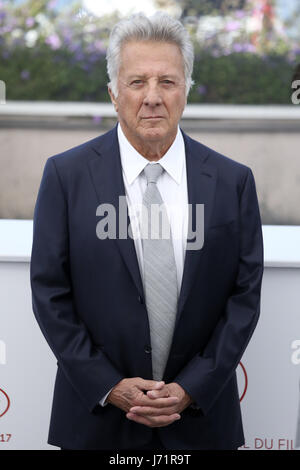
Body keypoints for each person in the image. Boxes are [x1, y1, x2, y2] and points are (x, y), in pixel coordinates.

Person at [30, 12, 264, 450]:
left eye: (168, 82)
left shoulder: (234, 182)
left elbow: (244, 296)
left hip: (200, 423)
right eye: (137, 82)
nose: (153, 97)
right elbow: (49, 293)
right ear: (113, 94)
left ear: (187, 92)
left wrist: (193, 386)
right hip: (96, 423)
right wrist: (110, 385)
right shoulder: (66, 176)